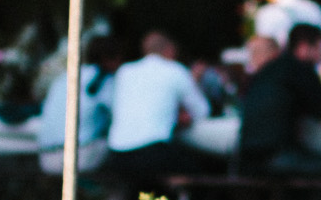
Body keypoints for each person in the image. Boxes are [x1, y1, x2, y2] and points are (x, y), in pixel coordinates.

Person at [103, 31, 213, 191]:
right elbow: (202, 111)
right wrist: (194, 82)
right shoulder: (176, 70)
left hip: (116, 155)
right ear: (170, 50)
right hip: (153, 154)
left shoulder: (124, 71)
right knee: (204, 168)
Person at [238, 23, 321, 175]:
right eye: (319, 48)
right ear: (304, 47)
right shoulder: (300, 70)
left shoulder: (271, 69)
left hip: (246, 157)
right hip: (276, 156)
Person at [35, 36, 122, 175]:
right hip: (78, 157)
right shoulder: (104, 79)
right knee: (124, 152)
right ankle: (107, 196)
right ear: (109, 58)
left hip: (46, 157)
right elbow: (118, 114)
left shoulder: (64, 77)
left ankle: (89, 192)